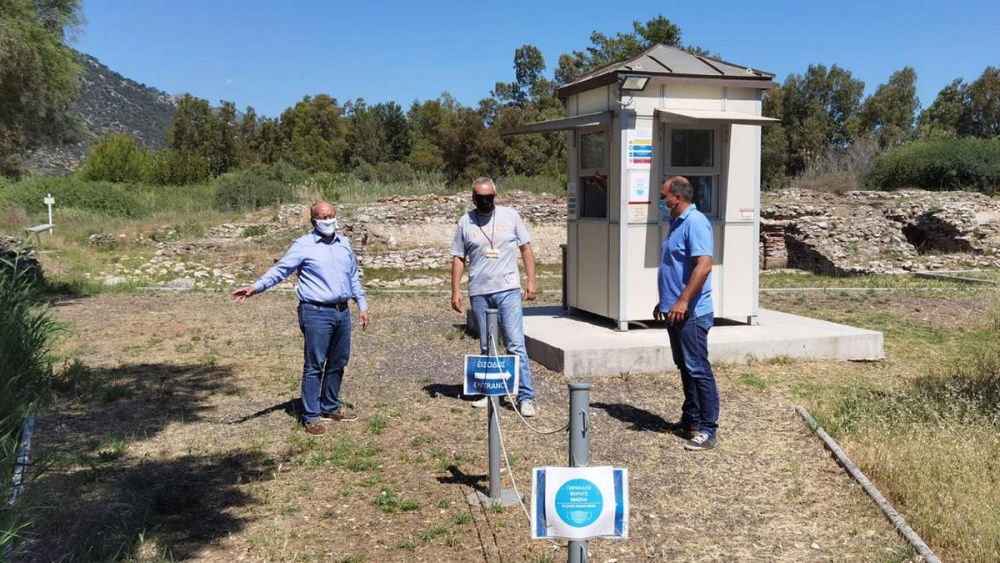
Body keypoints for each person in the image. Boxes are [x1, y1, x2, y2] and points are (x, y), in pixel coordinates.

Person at [232, 201, 370, 437]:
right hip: (316, 312)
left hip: (342, 311)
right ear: (313, 220)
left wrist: (362, 304)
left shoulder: (344, 244)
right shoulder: (303, 245)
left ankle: (330, 406)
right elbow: (280, 271)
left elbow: (353, 276)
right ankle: (311, 415)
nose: (328, 220)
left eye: (331, 216)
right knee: (314, 364)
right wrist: (256, 287)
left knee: (338, 361)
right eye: (322, 217)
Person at [450, 177, 538, 417]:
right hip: (480, 290)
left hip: (508, 289)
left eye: (489, 197)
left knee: (514, 343)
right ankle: (491, 392)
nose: (485, 201)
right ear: (473, 198)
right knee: (487, 344)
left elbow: (526, 248)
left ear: (495, 196)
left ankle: (525, 396)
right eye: (480, 197)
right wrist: (455, 289)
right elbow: (458, 256)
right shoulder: (465, 222)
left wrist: (531, 281)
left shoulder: (510, 216)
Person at [653, 176, 719, 451]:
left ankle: (708, 429)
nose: (660, 200)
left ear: (677, 197)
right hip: (674, 311)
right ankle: (690, 418)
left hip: (690, 312)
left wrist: (682, 302)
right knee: (685, 367)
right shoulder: (676, 223)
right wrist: (666, 303)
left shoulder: (695, 222)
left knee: (698, 368)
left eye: (663, 195)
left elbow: (703, 266)